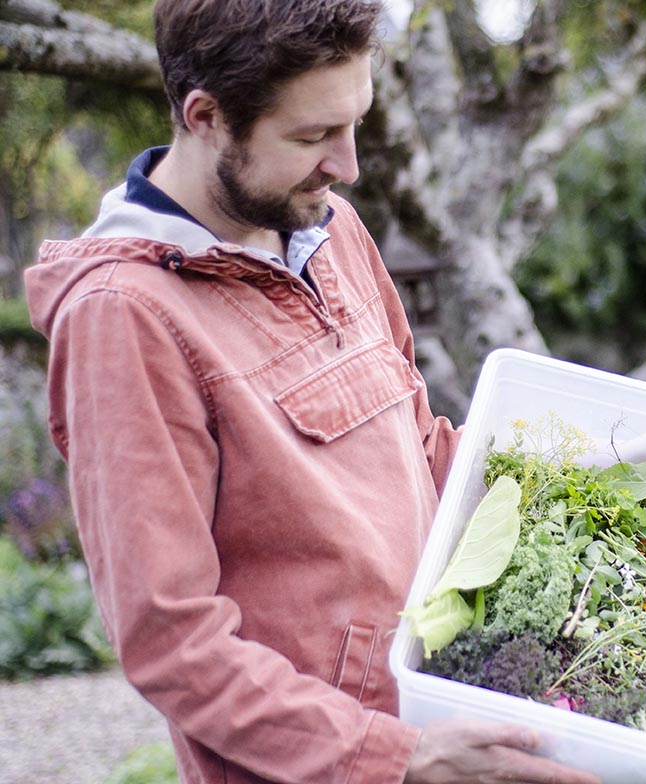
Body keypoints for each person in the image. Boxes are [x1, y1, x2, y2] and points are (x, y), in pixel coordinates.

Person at [24, 1, 601, 782]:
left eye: (354, 121)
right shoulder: (125, 318)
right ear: (206, 116)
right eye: (311, 137)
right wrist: (400, 757)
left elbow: (417, 443)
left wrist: (582, 502)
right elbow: (171, 641)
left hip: (443, 716)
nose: (349, 163)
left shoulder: (332, 230)